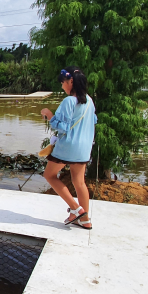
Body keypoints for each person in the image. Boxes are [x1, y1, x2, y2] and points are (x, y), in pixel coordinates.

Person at [40, 66, 97, 229]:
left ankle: (76, 209)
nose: (62, 86)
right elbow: (93, 121)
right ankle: (85, 220)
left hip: (68, 146)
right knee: (79, 182)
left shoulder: (69, 101)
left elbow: (62, 127)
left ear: (71, 81)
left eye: (63, 82)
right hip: (84, 147)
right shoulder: (89, 100)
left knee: (49, 175)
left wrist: (49, 114)